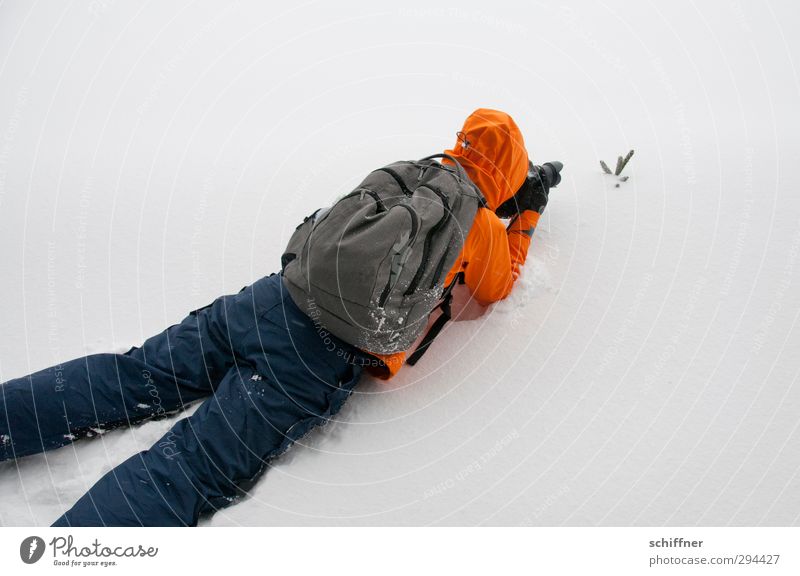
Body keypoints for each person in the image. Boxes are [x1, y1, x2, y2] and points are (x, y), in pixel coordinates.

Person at [0, 108, 558, 526]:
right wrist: (527, 211)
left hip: (268, 300)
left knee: (129, 377)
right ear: (508, 175)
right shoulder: (479, 226)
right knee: (191, 468)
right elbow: (497, 285)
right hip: (313, 360)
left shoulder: (407, 170)